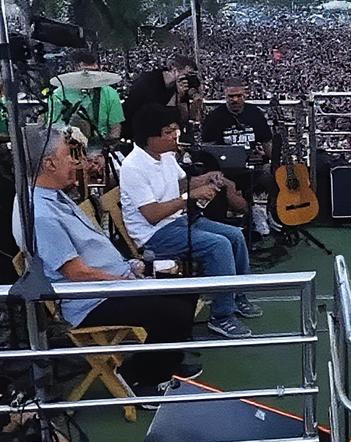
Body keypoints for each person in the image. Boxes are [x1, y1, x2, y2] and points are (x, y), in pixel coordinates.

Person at [11, 125, 200, 396]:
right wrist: (126, 281)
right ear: (49, 163)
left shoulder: (51, 196)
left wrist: (129, 269)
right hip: (91, 300)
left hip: (109, 281)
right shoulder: (40, 214)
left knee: (186, 289)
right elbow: (77, 273)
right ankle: (141, 380)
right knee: (173, 312)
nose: (74, 161)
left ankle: (165, 363)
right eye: (68, 155)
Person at [119, 104, 262, 338]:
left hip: (179, 221)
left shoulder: (165, 155)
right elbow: (152, 214)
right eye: (168, 131)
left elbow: (182, 183)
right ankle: (222, 316)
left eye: (175, 129)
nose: (174, 135)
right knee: (218, 245)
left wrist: (206, 178)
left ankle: (237, 296)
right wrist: (189, 197)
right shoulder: (133, 167)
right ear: (150, 137)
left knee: (235, 236)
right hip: (155, 234)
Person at [48, 51, 125, 142]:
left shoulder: (110, 93)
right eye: (85, 72)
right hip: (67, 145)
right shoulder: (58, 95)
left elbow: (115, 128)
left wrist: (110, 146)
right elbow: (54, 130)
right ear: (73, 68)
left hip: (100, 145)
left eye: (94, 72)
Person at [121, 55, 201, 140]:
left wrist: (182, 96)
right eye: (187, 74)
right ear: (174, 70)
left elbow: (184, 116)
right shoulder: (149, 81)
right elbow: (154, 112)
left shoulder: (180, 86)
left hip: (164, 133)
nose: (188, 79)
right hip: (138, 131)